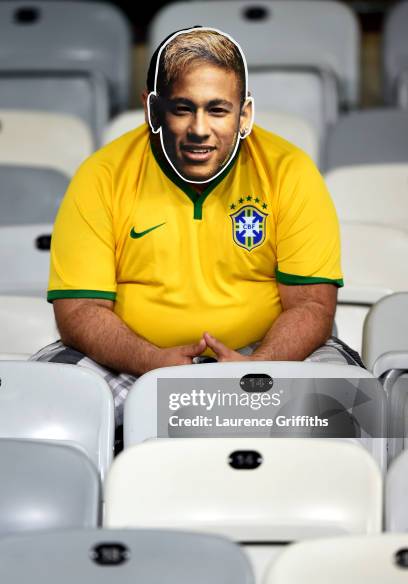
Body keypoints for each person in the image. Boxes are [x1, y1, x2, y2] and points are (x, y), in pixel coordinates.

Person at [31, 27, 363, 426]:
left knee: (351, 407)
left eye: (218, 110)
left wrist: (256, 366)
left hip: (270, 354)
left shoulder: (290, 172)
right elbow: (79, 310)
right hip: (129, 360)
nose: (200, 129)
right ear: (153, 110)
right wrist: (154, 362)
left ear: (245, 114)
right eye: (182, 108)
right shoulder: (101, 175)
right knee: (42, 403)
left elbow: (311, 304)